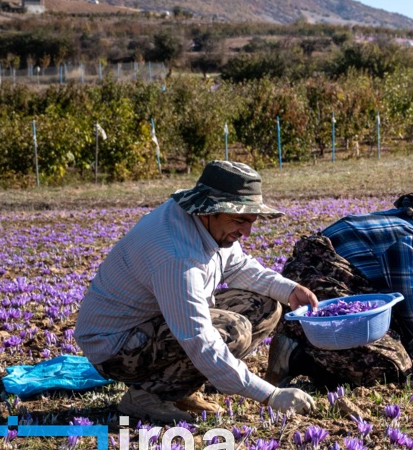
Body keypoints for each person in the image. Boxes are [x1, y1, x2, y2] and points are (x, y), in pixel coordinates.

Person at [75, 161, 318, 422]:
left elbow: (237, 266)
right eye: (240, 220)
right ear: (209, 210)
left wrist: (289, 289)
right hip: (115, 346)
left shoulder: (206, 225)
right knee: (233, 330)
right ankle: (147, 395)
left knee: (267, 306)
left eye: (251, 221)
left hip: (152, 324)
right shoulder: (176, 255)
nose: (247, 231)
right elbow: (198, 338)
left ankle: (179, 389)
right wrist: (270, 395)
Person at [267, 176, 413, 389]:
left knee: (406, 361)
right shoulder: (411, 239)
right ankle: (297, 356)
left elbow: (402, 305)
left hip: (307, 295)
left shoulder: (401, 223)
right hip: (317, 294)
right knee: (389, 367)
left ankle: (305, 346)